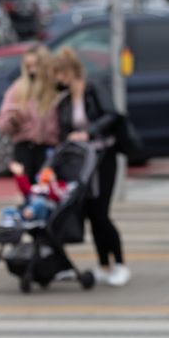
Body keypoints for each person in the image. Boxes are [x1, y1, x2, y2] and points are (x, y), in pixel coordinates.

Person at [53, 47, 128, 286]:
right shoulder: (64, 101)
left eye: (59, 73)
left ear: (69, 71)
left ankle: (120, 263)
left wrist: (88, 132)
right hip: (82, 163)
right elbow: (63, 131)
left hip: (103, 158)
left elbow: (112, 115)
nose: (57, 79)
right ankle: (103, 265)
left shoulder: (93, 89)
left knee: (101, 213)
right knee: (89, 212)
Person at [0, 46, 60, 177]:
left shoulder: (55, 88)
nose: (32, 71)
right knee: (29, 191)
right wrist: (12, 119)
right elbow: (2, 124)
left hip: (50, 149)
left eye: (36, 65)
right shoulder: (18, 88)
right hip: (25, 147)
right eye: (28, 66)